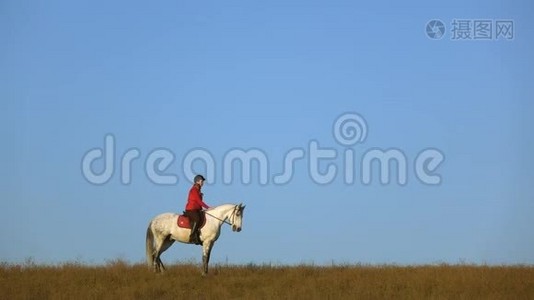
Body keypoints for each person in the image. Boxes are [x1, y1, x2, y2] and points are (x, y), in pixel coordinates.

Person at [184, 174, 210, 245]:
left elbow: (198, 203)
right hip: (191, 210)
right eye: (202, 181)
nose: (203, 183)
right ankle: (192, 236)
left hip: (197, 210)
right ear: (197, 181)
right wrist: (208, 207)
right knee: (197, 219)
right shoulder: (194, 190)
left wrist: (202, 209)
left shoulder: (198, 190)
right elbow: (199, 201)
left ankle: (199, 236)